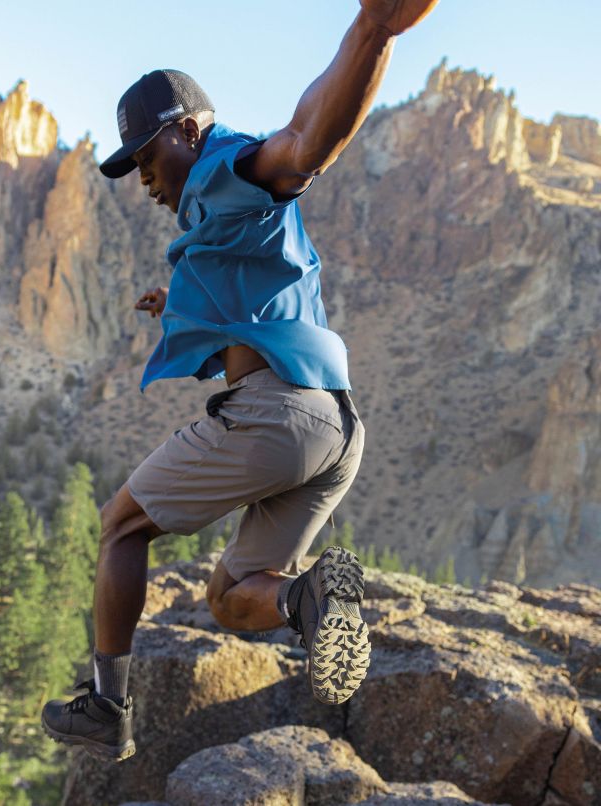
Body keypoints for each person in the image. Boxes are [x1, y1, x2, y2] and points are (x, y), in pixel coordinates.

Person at [42, 0, 440, 762]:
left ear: (186, 130)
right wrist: (175, 300)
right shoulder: (218, 219)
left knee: (121, 525)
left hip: (277, 417)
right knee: (234, 597)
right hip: (337, 428)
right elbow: (246, 288)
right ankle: (309, 596)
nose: (145, 182)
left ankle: (105, 708)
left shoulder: (230, 165)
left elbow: (303, 144)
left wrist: (371, 32)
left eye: (147, 161)